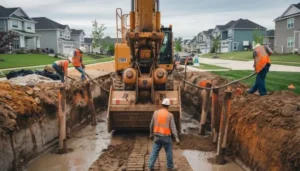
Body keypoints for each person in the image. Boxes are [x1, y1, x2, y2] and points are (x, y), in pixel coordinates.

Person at [149, 98, 180, 171]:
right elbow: (173, 127)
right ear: (168, 106)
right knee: (169, 152)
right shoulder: (170, 115)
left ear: (162, 105)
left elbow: (151, 124)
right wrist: (176, 137)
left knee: (154, 151)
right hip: (166, 137)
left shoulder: (155, 113)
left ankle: (150, 166)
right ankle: (170, 166)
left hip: (157, 136)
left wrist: (151, 134)